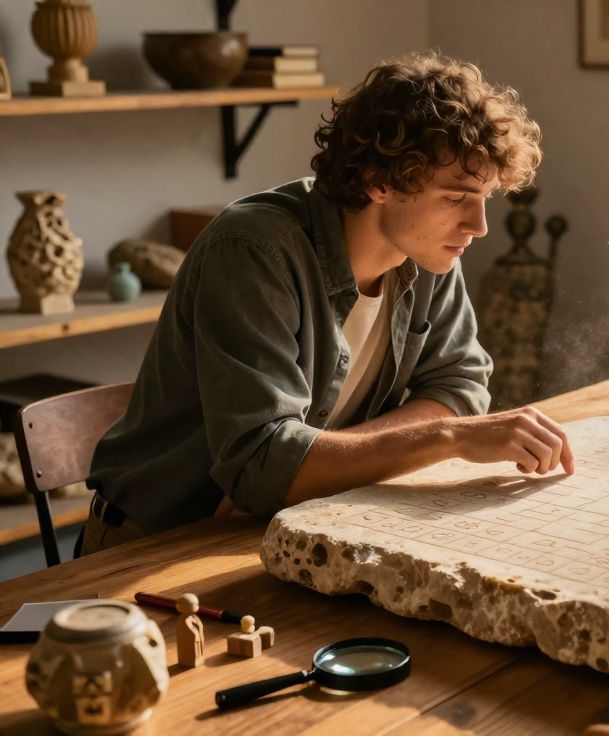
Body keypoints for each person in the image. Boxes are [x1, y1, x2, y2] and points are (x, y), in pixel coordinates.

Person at [82, 52, 574, 556]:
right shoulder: (254, 251)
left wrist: (324, 461)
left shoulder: (428, 249)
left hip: (294, 521)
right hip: (157, 544)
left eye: (486, 198)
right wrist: (447, 436)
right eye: (455, 198)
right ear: (380, 181)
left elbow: (462, 385)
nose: (479, 225)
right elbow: (263, 466)